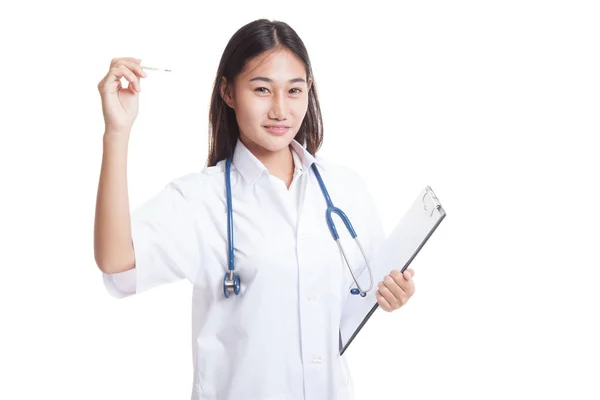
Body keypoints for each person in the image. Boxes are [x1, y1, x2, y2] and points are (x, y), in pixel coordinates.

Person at [94, 18, 415, 400]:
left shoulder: (345, 188)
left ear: (308, 92)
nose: (280, 110)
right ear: (228, 92)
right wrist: (117, 132)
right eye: (262, 89)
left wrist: (394, 293)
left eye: (294, 91)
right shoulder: (201, 199)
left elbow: (359, 296)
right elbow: (115, 259)